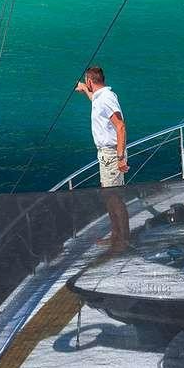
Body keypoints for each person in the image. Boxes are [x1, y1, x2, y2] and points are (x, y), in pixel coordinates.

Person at [76, 66, 130, 249]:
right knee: (110, 197)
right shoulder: (100, 97)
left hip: (112, 154)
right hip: (106, 154)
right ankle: (117, 237)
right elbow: (96, 102)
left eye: (87, 83)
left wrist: (120, 157)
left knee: (114, 198)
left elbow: (120, 126)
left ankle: (122, 240)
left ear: (91, 81)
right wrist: (84, 89)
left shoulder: (106, 98)